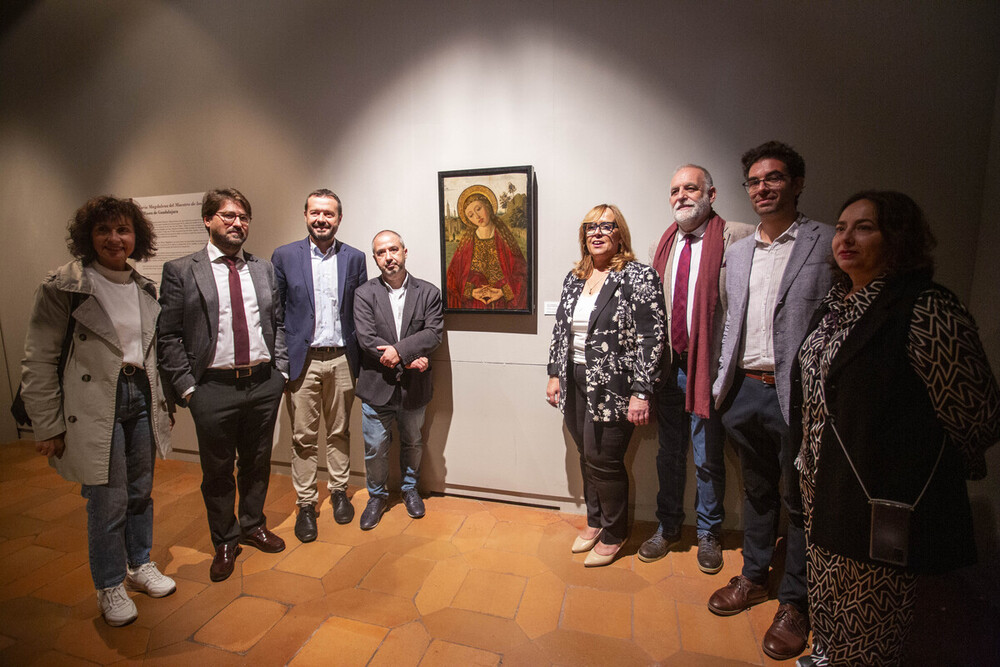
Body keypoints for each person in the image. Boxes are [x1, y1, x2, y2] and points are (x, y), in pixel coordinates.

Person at [791, 191, 1000, 666]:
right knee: (828, 590)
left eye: (864, 227)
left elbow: (978, 415)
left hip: (878, 495)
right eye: (841, 228)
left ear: (898, 238)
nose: (845, 238)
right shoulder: (835, 305)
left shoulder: (925, 307)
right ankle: (828, 655)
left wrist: (906, 463)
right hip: (823, 485)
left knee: (870, 610)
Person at [21, 196, 175, 627]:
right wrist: (47, 424)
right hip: (93, 402)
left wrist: (162, 406)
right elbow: (38, 359)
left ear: (136, 237)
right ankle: (109, 583)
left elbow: (149, 355)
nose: (114, 238)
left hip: (139, 396)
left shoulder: (143, 288)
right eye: (104, 230)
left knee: (140, 490)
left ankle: (138, 563)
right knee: (107, 500)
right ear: (88, 236)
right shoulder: (63, 286)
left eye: (123, 230)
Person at [711, 141, 834, 660]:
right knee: (758, 493)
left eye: (774, 178)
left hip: (799, 398)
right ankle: (754, 577)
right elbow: (728, 320)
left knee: (802, 503)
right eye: (754, 182)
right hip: (743, 393)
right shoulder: (738, 253)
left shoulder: (826, 243)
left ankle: (795, 603)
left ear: (797, 183)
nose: (762, 188)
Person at [157, 188, 288, 583]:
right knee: (217, 470)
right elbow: (168, 336)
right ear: (207, 220)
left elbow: (278, 323)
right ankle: (225, 539)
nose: (237, 223)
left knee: (257, 462)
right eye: (228, 216)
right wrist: (188, 388)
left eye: (244, 217)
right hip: (211, 388)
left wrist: (279, 372)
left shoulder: (263, 269)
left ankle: (252, 524)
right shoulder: (182, 270)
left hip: (263, 383)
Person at [641, 165, 753, 571]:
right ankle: (668, 527)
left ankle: (709, 533)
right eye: (675, 190)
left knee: (707, 456)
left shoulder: (736, 238)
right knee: (669, 454)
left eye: (691, 188)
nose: (682, 196)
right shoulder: (663, 244)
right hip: (669, 369)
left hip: (709, 369)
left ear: (712, 194)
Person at [546, 204, 666, 567]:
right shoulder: (575, 277)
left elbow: (652, 337)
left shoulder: (638, 276)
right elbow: (561, 329)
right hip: (576, 379)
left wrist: (642, 391)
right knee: (587, 455)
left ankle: (615, 532)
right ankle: (596, 521)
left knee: (604, 459)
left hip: (615, 384)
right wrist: (554, 372)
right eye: (590, 228)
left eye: (606, 227)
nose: (597, 233)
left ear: (620, 234)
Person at [271, 190, 367, 542]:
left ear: (339, 218)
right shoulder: (284, 256)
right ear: (306, 215)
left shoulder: (354, 258)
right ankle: (307, 504)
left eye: (328, 213)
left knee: (340, 431)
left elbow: (359, 311)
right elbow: (276, 315)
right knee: (303, 438)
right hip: (303, 360)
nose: (321, 219)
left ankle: (339, 491)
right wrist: (282, 363)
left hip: (343, 357)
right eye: (315, 213)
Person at [353, 230, 444, 529]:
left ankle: (408, 489)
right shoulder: (364, 293)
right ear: (375, 257)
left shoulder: (429, 292)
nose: (389, 257)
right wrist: (406, 354)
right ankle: (377, 497)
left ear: (405, 251)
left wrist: (401, 352)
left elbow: (432, 333)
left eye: (393, 249)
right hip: (376, 386)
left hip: (414, 387)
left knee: (413, 442)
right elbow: (366, 338)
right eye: (381, 252)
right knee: (376, 447)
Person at [445, 185, 527, 310]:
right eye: (471, 215)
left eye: (478, 208)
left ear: (487, 206)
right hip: (474, 305)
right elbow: (452, 280)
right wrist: (471, 292)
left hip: (503, 304)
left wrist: (503, 292)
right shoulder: (467, 243)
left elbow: (522, 274)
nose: (477, 217)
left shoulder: (505, 238)